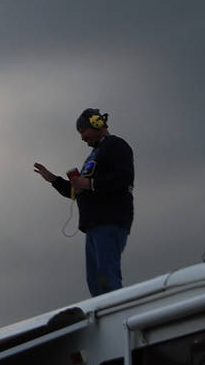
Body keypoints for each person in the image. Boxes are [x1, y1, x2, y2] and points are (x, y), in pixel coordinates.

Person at [34, 108, 134, 296]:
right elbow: (79, 191)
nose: (82, 138)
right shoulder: (95, 153)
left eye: (83, 131)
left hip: (109, 220)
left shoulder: (116, 145)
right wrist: (54, 180)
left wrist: (89, 183)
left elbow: (124, 179)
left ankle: (117, 314)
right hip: (94, 225)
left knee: (107, 277)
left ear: (97, 124)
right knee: (96, 281)